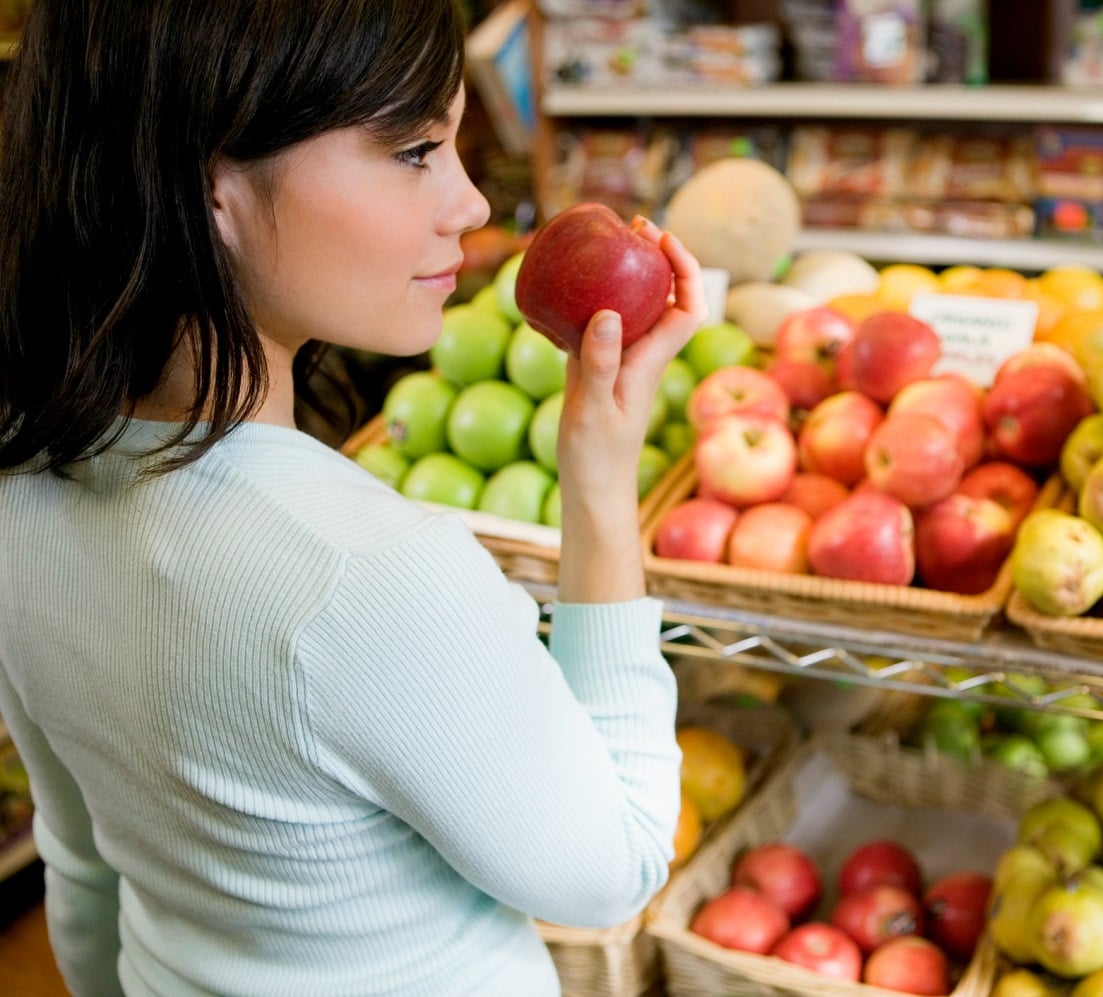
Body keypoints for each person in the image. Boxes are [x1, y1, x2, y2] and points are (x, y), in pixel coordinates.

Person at [0, 2, 704, 994]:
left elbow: (84, 870)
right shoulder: (369, 570)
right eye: (417, 150)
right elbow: (613, 865)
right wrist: (601, 484)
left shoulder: (20, 491)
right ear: (213, 186)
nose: (470, 204)